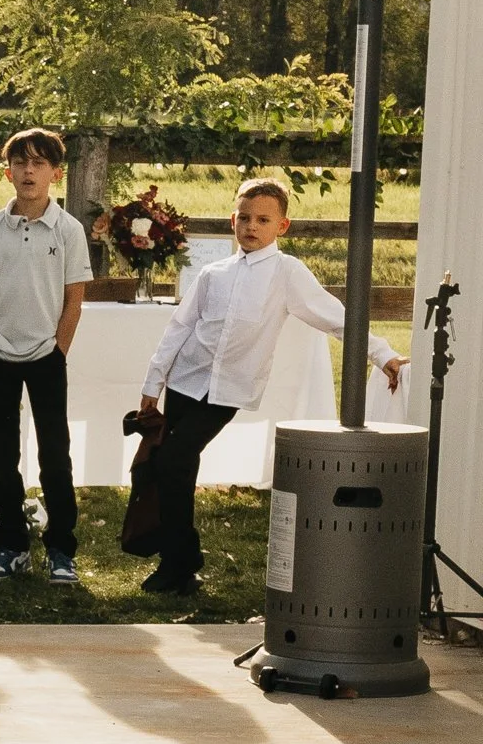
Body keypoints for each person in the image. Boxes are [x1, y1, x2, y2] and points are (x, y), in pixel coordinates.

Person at [136, 177, 405, 596]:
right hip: (186, 381)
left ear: (282, 226)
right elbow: (179, 328)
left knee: (172, 460)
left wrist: (381, 353)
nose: (251, 226)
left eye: (263, 219)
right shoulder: (213, 272)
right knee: (176, 468)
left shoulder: (287, 273)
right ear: (232, 220)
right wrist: (153, 383)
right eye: (244, 217)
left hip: (227, 391)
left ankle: (183, 558)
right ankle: (177, 566)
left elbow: (336, 318)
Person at [0, 129, 92, 584]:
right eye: (20, 163)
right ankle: (11, 545)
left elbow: (73, 300)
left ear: (55, 174)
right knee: (1, 453)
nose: (28, 171)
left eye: (39, 164)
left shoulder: (69, 230)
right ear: (8, 172)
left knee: (54, 454)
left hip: (45, 356)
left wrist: (57, 350)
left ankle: (61, 548)